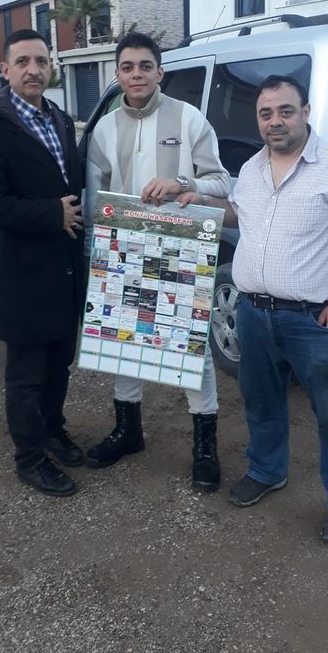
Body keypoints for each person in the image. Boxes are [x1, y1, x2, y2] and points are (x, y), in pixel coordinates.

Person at [179, 75, 328, 543]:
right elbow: (241, 213)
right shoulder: (253, 167)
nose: (275, 121)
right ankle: (267, 470)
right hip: (254, 314)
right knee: (260, 401)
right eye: (266, 113)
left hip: (316, 321)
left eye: (285, 111)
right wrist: (201, 201)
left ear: (306, 112)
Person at [84, 32, 230, 491]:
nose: (137, 75)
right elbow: (94, 197)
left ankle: (204, 447)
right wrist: (95, 250)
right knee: (123, 341)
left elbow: (221, 182)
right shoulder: (104, 130)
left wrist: (182, 183)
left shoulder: (189, 118)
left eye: (145, 66)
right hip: (123, 248)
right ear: (117, 74)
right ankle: (128, 431)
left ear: (160, 72)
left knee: (191, 348)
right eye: (128, 67)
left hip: (180, 248)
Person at [0, 29, 85, 497]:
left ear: (51, 66)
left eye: (41, 61)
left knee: (60, 364)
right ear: (5, 70)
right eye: (22, 62)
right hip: (23, 276)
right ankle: (30, 459)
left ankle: (52, 430)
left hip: (64, 270)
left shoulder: (60, 118)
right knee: (26, 375)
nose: (33, 70)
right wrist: (51, 214)